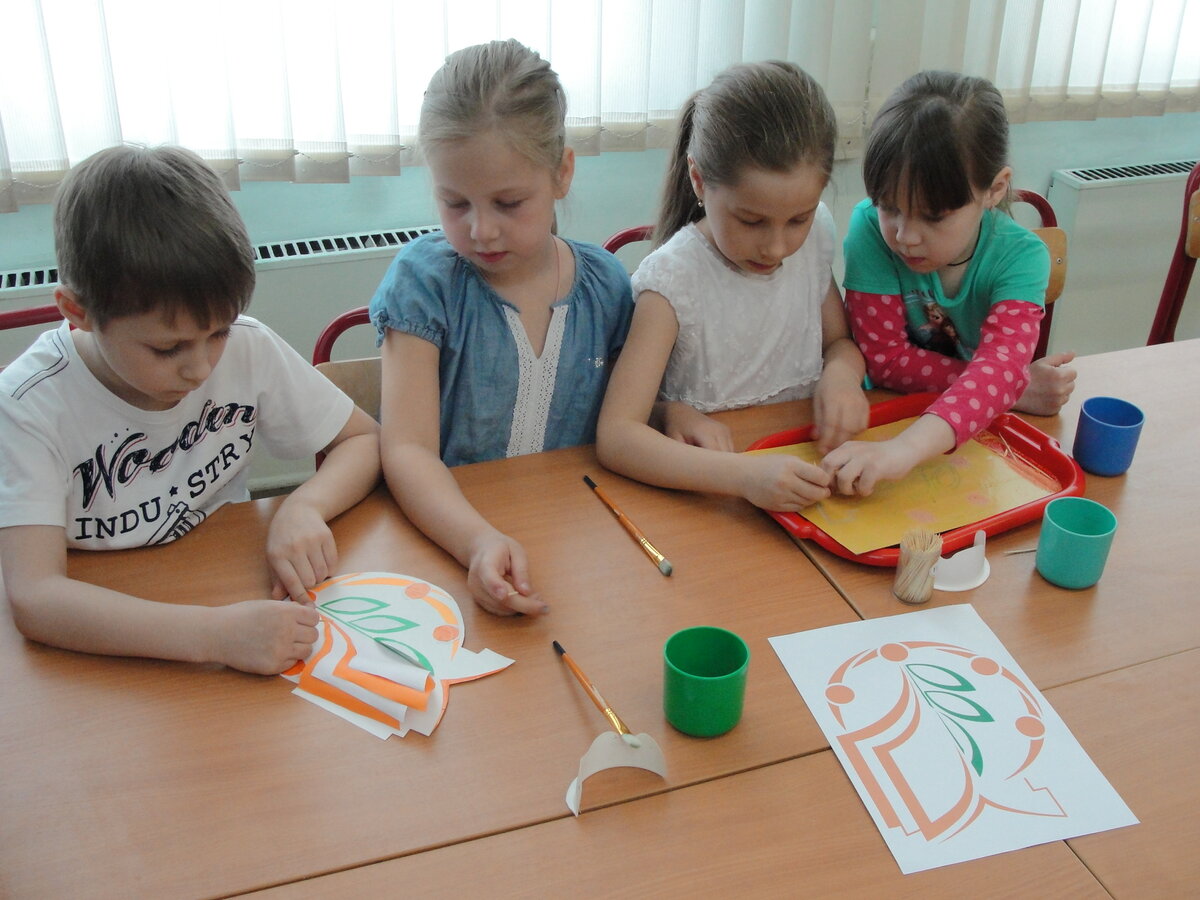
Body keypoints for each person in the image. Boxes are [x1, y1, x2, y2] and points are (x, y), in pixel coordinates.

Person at [0, 145, 381, 675]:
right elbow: (36, 597)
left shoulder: (248, 346)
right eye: (167, 348)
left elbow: (362, 440)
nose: (200, 368)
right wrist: (212, 636)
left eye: (217, 332)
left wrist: (304, 507)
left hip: (222, 577)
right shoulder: (26, 406)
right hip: (108, 629)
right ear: (77, 311)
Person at [369, 40, 633, 617]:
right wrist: (477, 542)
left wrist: (675, 411)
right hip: (442, 545)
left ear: (562, 173)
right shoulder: (425, 284)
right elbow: (407, 450)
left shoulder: (606, 287)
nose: (481, 230)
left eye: (509, 203)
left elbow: (627, 420)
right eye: (454, 203)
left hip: (573, 549)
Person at [595, 61, 868, 512]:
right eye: (751, 221)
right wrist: (742, 476)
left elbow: (838, 343)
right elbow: (617, 435)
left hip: (799, 480)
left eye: (798, 219)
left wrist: (841, 375)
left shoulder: (814, 238)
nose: (777, 247)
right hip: (713, 499)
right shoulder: (673, 280)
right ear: (699, 180)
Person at [823, 71, 1077, 496]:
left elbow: (1000, 369)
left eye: (933, 216)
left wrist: (1002, 386)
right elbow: (883, 359)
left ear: (994, 189)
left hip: (968, 437)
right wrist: (1008, 390)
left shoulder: (1022, 257)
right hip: (885, 416)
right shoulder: (869, 229)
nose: (905, 235)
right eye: (889, 207)